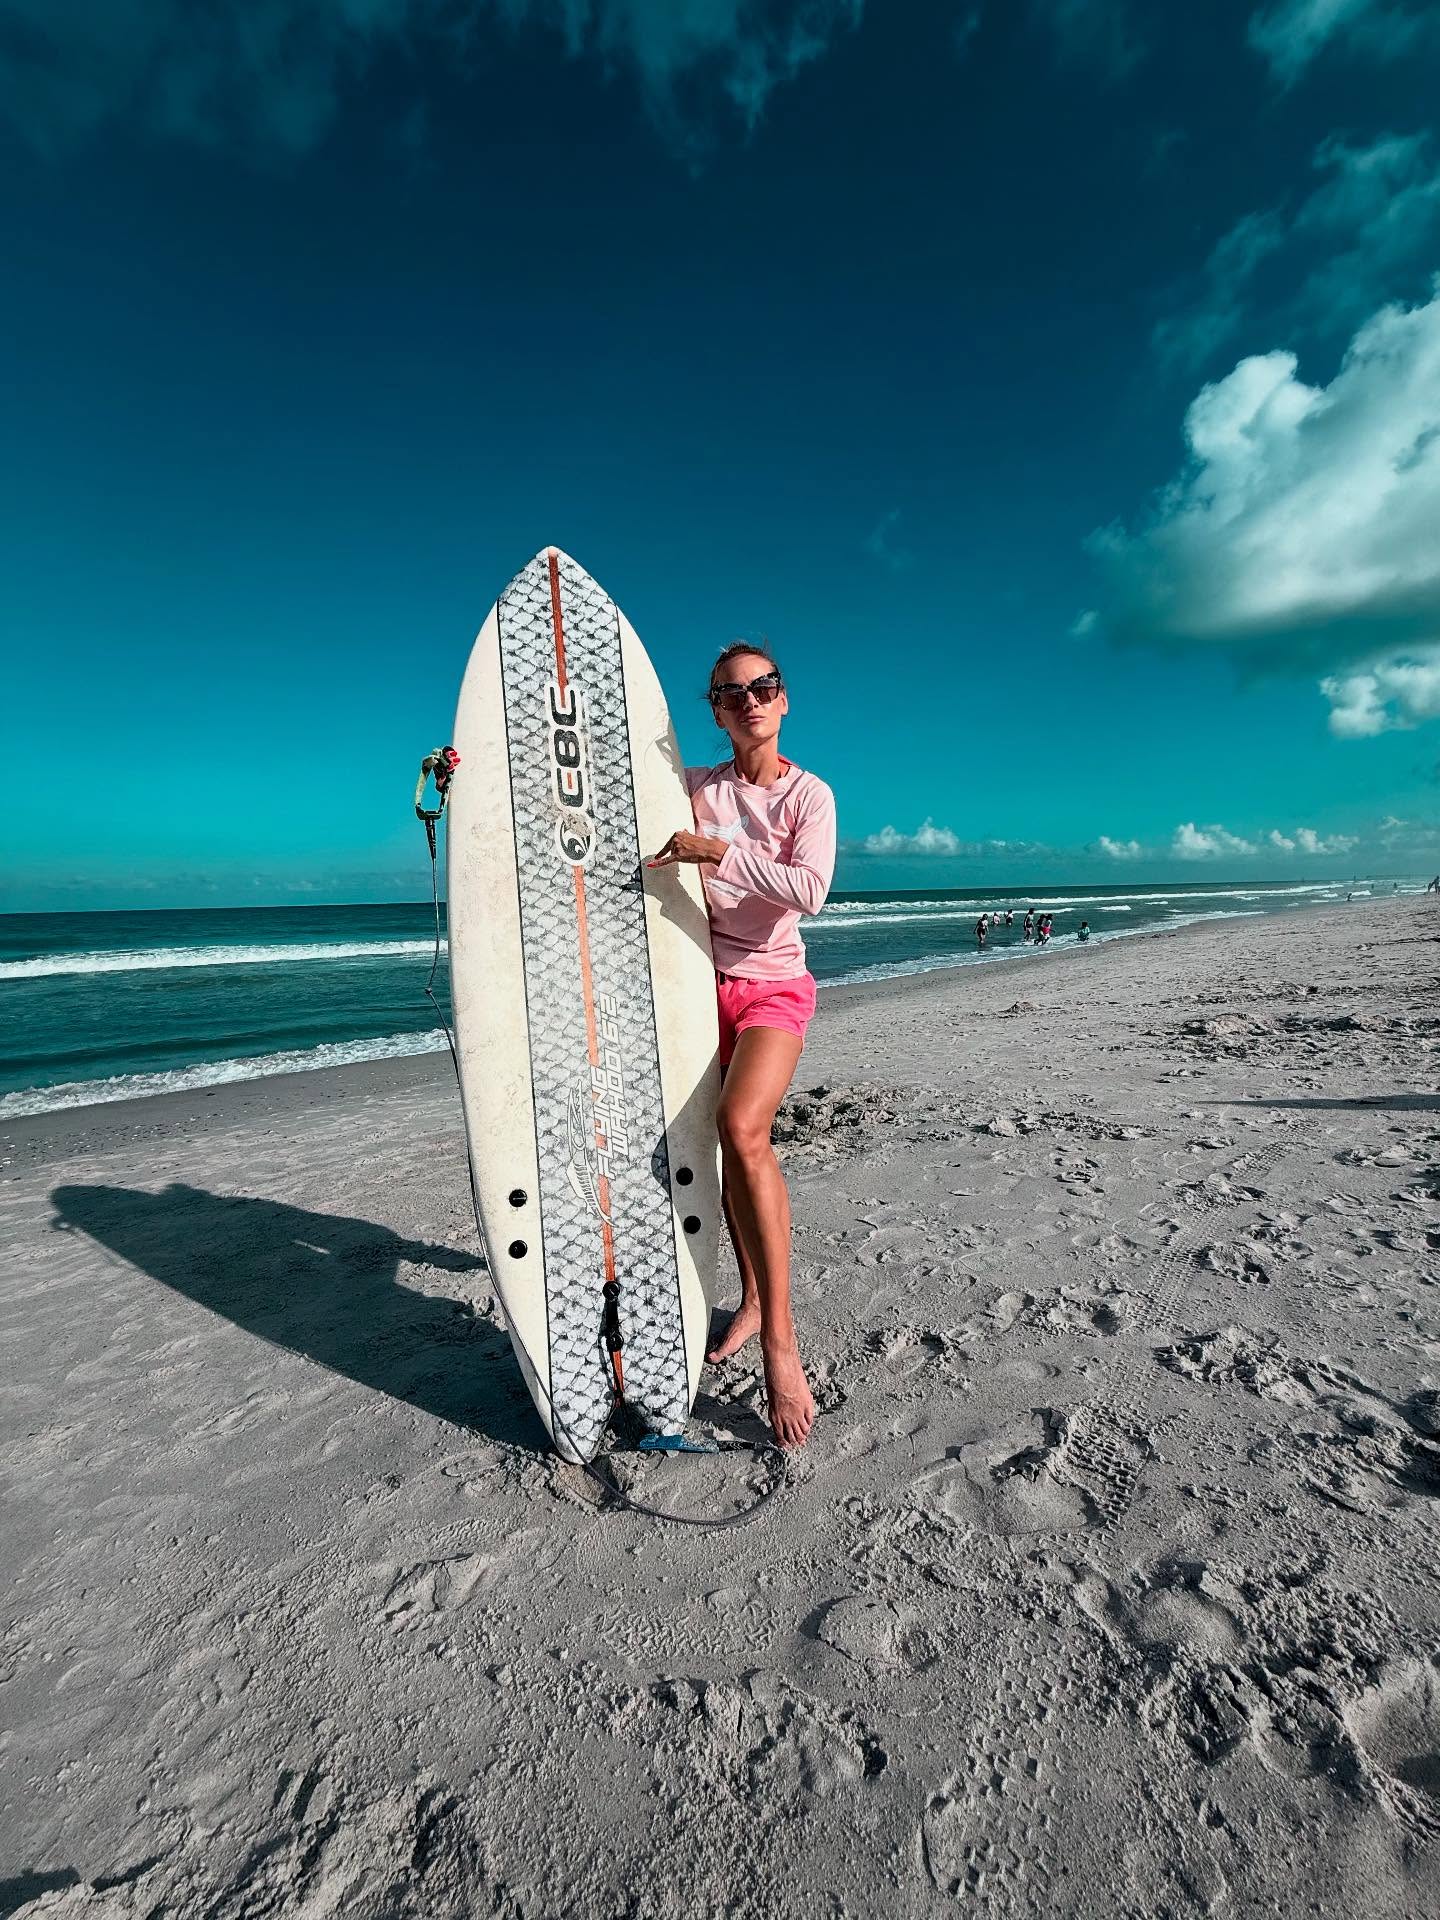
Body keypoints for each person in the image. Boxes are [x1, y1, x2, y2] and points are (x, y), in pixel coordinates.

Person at [647, 643, 836, 1449]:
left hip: (773, 988)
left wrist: (717, 850)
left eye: (764, 687)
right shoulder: (696, 788)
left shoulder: (809, 795)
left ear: (784, 700)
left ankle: (780, 1344)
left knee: (743, 1128)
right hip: (695, 989)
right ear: (716, 711)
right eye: (732, 693)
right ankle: (753, 1293)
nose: (750, 700)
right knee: (717, 1151)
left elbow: (812, 891)